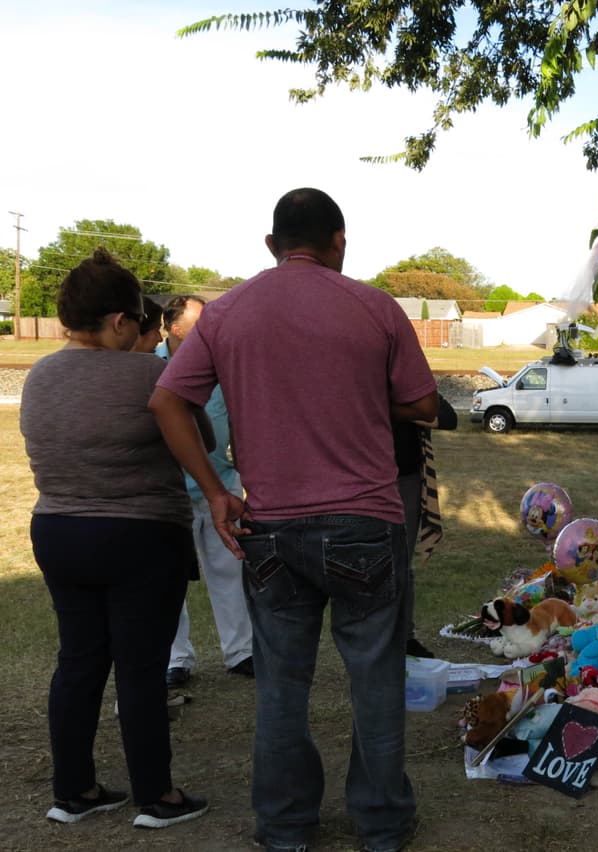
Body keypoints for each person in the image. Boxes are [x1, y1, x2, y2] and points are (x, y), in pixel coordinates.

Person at [149, 188, 438, 852]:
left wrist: (215, 492)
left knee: (281, 686)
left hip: (272, 527)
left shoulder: (227, 313)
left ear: (271, 244)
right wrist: (361, 395)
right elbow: (424, 405)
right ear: (340, 241)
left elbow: (167, 401)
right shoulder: (375, 307)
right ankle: (383, 825)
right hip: (366, 523)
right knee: (375, 680)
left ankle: (284, 827)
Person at [20, 249, 210, 829]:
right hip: (139, 534)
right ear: (121, 320)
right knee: (140, 668)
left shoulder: (39, 375)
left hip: (58, 530)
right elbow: (200, 435)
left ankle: (73, 790)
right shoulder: (150, 375)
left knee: (77, 662)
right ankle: (157, 795)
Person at [158, 295, 254, 687]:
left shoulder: (221, 364)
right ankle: (175, 660)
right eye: (201, 321)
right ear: (176, 329)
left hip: (222, 485)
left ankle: (241, 652)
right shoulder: (151, 366)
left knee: (231, 570)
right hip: (169, 493)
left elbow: (241, 423)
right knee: (169, 581)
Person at [394, 396, 457, 659]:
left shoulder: (410, 385)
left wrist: (400, 411)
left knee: (402, 563)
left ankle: (405, 637)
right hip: (367, 480)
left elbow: (448, 418)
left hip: (407, 479)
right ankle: (380, 639)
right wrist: (414, 413)